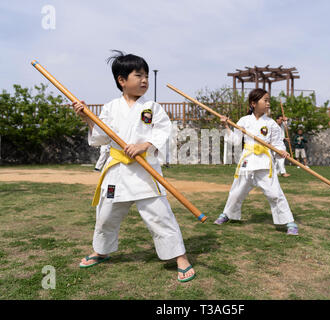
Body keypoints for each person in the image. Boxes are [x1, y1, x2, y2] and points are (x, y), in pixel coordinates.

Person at [72, 50, 195, 282]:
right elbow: (100, 137)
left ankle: (179, 256)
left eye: (146, 75)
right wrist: (87, 118)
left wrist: (145, 145)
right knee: (106, 214)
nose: (145, 80)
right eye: (138, 75)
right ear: (122, 80)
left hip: (144, 171)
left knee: (160, 215)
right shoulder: (110, 108)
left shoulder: (153, 108)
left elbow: (163, 130)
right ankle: (101, 250)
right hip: (117, 171)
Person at [214, 88, 299, 236]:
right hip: (247, 161)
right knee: (236, 192)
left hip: (265, 163)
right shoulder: (244, 121)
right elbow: (234, 141)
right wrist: (226, 125)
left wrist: (281, 151)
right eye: (265, 100)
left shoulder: (271, 123)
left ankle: (289, 222)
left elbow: (277, 143)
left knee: (274, 193)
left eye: (268, 101)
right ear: (253, 103)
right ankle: (227, 214)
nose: (268, 104)